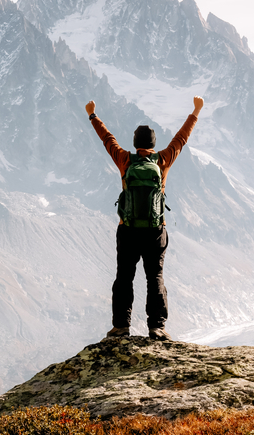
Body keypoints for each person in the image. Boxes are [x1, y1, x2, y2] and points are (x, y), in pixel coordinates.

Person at [84, 96, 203, 341]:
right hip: (155, 231)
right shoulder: (163, 160)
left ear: (135, 143)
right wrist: (195, 112)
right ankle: (156, 327)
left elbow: (108, 139)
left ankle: (121, 327)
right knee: (155, 277)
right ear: (153, 144)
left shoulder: (124, 160)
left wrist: (93, 115)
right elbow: (181, 139)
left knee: (124, 277)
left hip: (127, 231)